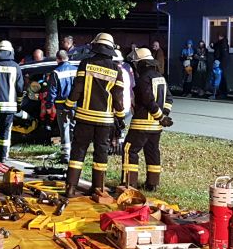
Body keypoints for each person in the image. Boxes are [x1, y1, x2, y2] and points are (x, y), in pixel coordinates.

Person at [60, 33, 125, 214]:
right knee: (101, 153)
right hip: (104, 121)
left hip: (84, 118)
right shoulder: (116, 69)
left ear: (96, 46)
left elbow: (77, 88)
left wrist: (68, 105)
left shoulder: (86, 63)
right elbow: (118, 97)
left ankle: (70, 188)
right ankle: (97, 188)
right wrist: (120, 116)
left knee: (78, 152)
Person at [122, 47, 172, 190]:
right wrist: (164, 115)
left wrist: (161, 116)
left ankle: (129, 183)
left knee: (129, 150)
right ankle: (153, 184)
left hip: (141, 124)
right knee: (152, 151)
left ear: (141, 63)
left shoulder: (143, 79)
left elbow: (148, 100)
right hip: (156, 126)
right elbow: (169, 98)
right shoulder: (160, 77)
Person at [47, 49, 77, 162]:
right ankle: (75, 154)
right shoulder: (76, 70)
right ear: (67, 58)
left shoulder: (56, 72)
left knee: (64, 128)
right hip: (75, 104)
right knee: (74, 128)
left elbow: (52, 91)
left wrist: (49, 105)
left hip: (61, 105)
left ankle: (65, 155)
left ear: (57, 59)